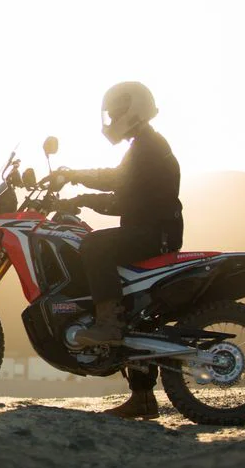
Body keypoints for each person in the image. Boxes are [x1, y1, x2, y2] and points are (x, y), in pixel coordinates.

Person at [59, 81, 184, 420]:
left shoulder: (147, 147)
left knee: (94, 245)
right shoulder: (144, 144)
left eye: (116, 112)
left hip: (152, 233)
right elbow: (118, 182)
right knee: (137, 310)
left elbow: (119, 187)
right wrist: (76, 178)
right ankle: (142, 399)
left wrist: (79, 193)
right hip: (152, 230)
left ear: (133, 109)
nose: (112, 118)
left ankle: (108, 324)